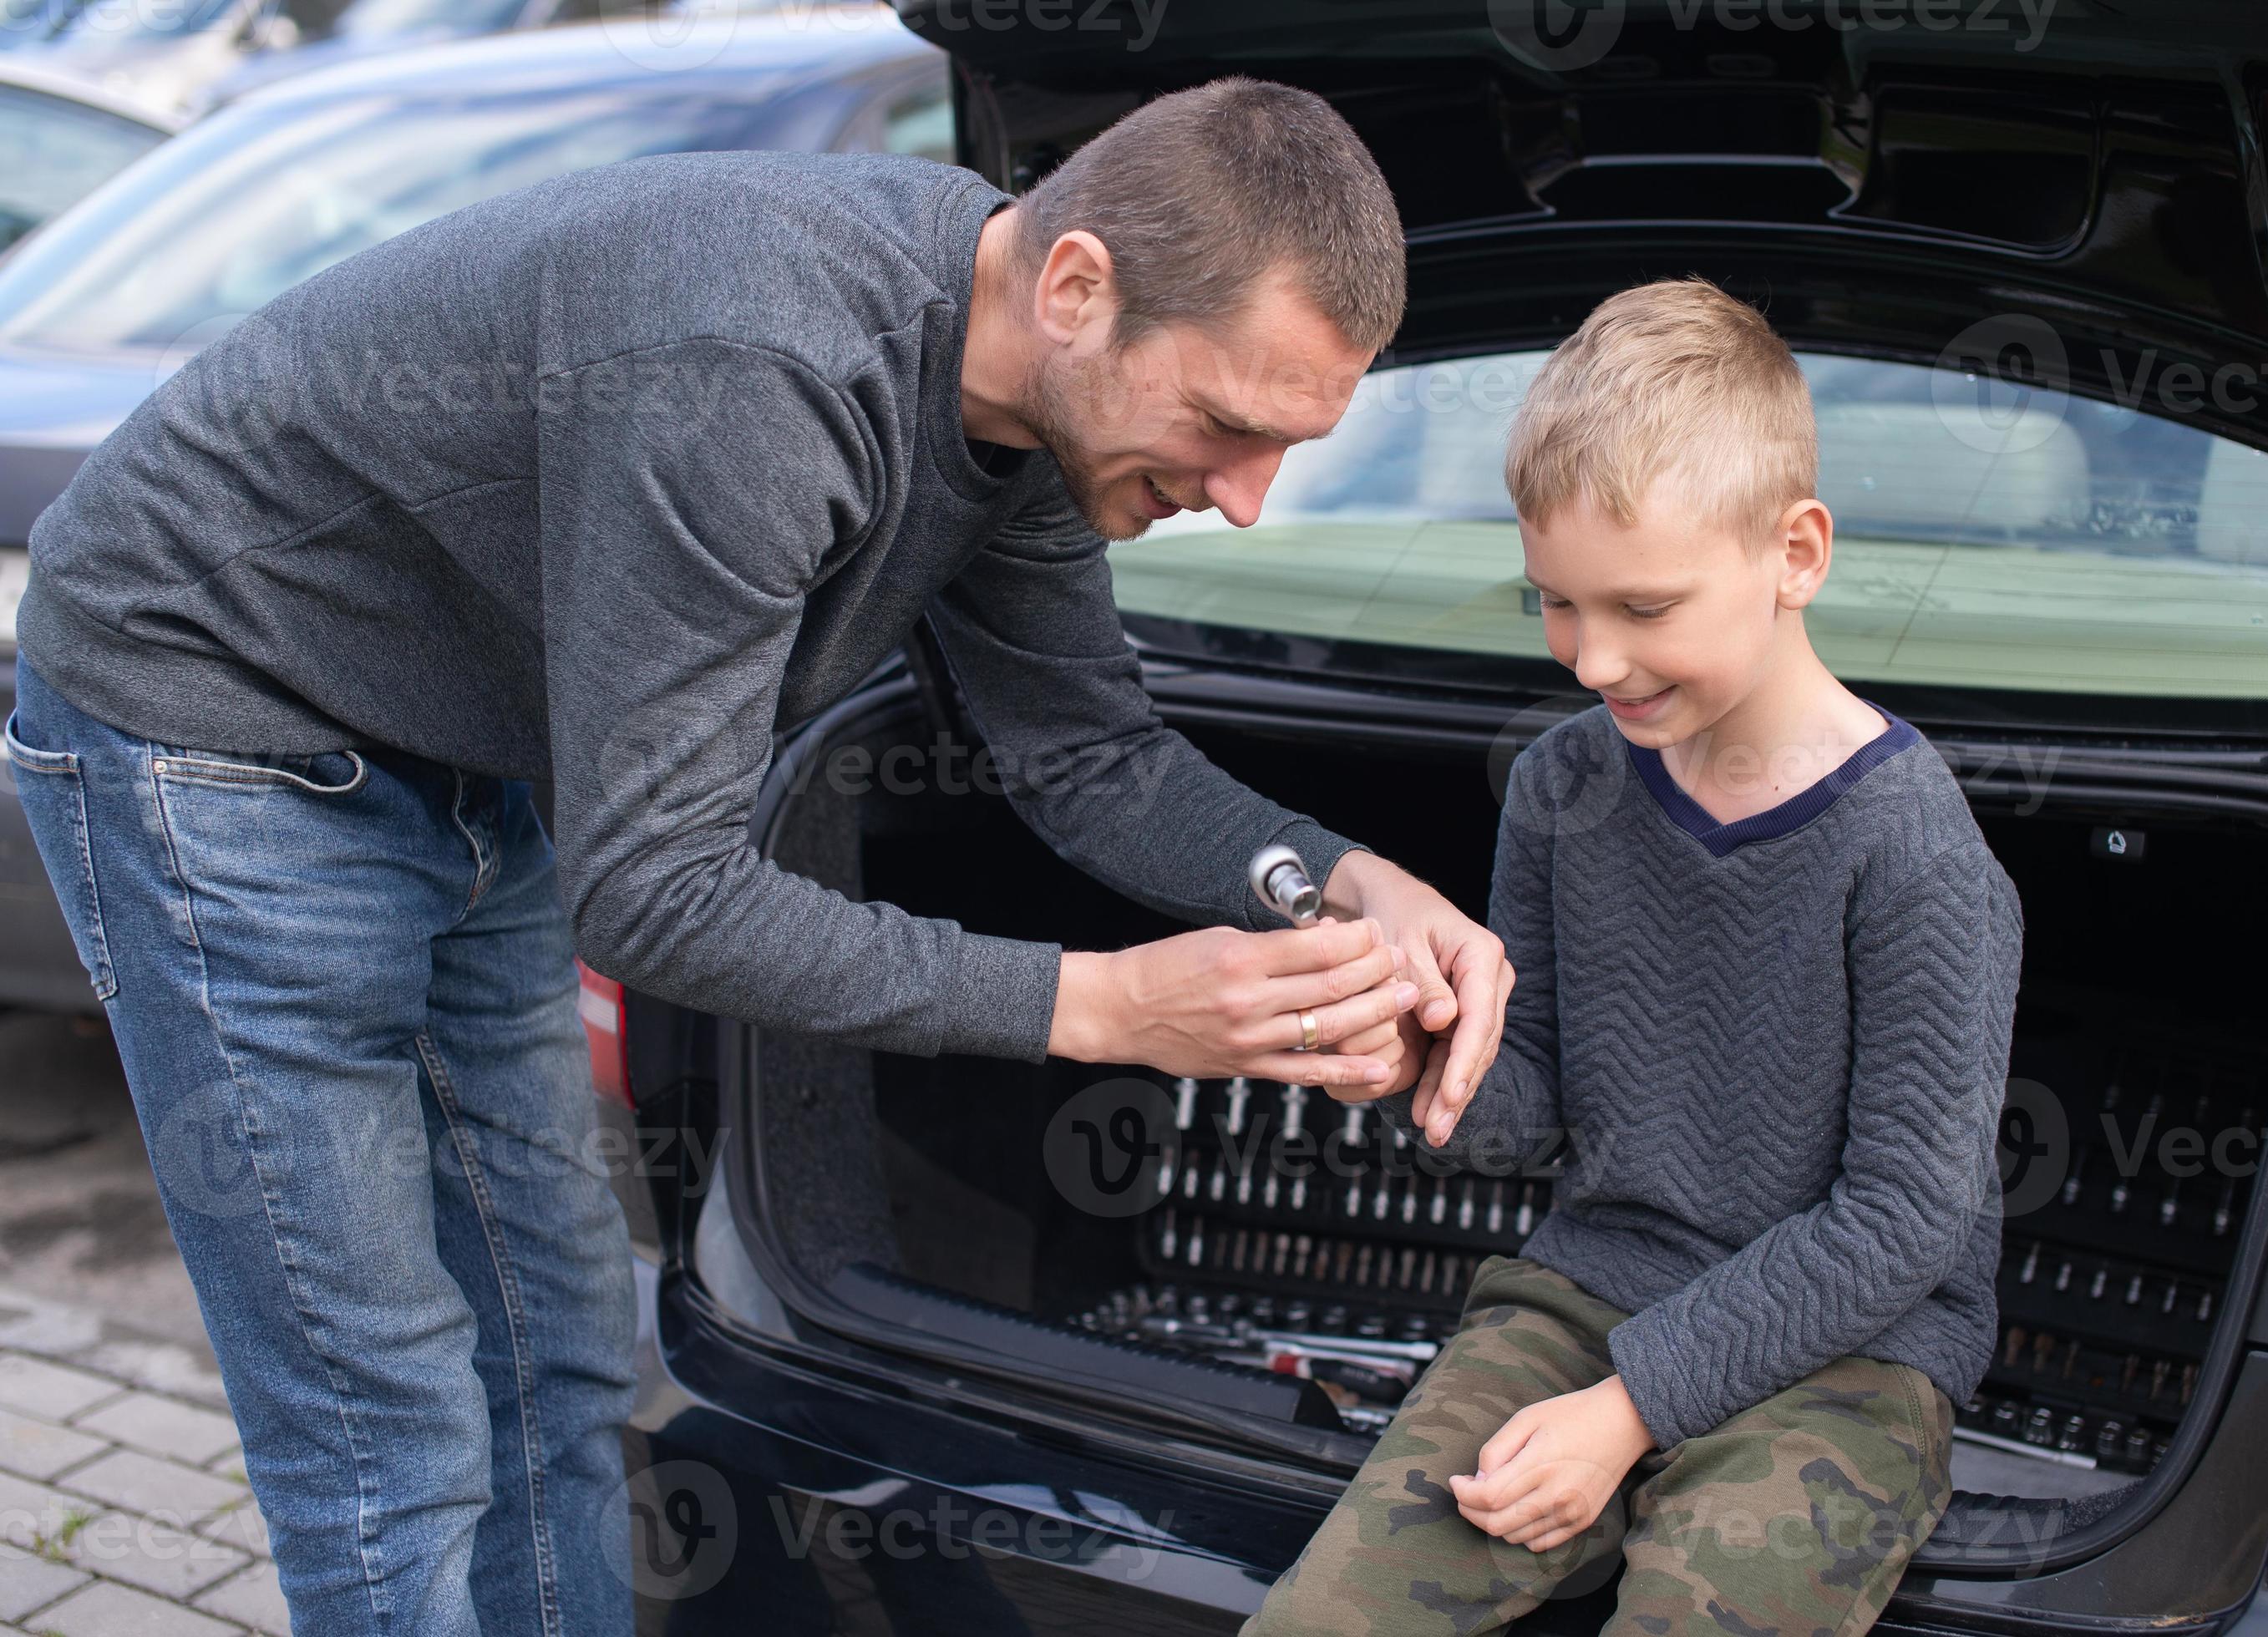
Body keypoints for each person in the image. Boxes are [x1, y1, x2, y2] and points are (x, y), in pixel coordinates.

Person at [5, 78, 1512, 1636]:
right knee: (386, 1414)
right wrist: (1111, 1009)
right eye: (1227, 427)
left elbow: (1093, 758)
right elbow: (655, 893)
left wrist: (1345, 880)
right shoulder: (760, 369)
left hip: (453, 746)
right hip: (212, 720)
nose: (1247, 504)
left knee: (562, 1345)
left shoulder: (1037, 411)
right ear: (1077, 289)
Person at [1248, 278, 2025, 1636]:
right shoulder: (1564, 787)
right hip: (1587, 1296)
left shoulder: (1917, 858)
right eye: (1553, 601)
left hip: (1852, 1351)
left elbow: (1906, 1224)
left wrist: (1628, 1411)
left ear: (1797, 553)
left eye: (1646, 607)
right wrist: (1413, 1050)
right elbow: (1534, 1105)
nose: (1595, 658)